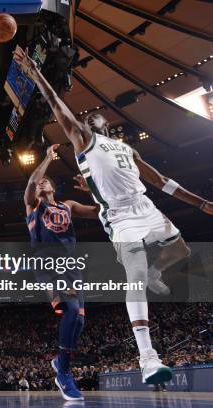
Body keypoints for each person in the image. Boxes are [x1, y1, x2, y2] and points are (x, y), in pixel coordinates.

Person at [13, 45, 213, 384]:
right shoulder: (82, 141)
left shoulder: (126, 148)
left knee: (181, 252)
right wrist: (35, 73)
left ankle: (154, 271)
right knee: (133, 273)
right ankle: (148, 356)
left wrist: (200, 203)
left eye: (96, 118)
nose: (91, 119)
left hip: (146, 207)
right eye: (86, 119)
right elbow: (58, 107)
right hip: (119, 218)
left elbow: (161, 181)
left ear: (107, 124)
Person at [23, 144, 99, 401]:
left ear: (53, 187)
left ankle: (60, 363)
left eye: (46, 181)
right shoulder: (33, 207)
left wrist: (95, 191)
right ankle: (64, 373)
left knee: (79, 319)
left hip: (71, 267)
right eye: (40, 182)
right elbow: (33, 181)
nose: (41, 183)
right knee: (69, 310)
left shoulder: (67, 205)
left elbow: (101, 213)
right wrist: (46, 158)